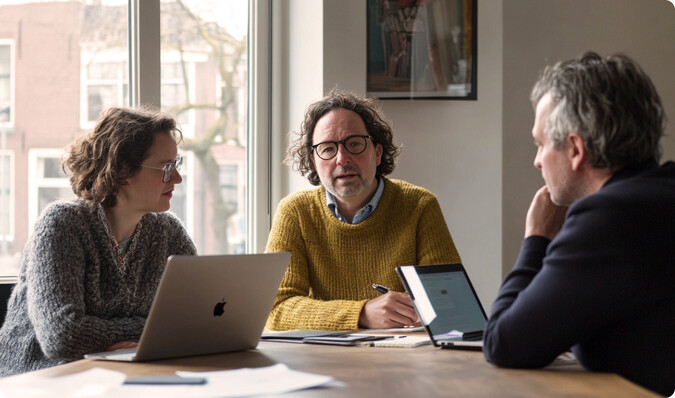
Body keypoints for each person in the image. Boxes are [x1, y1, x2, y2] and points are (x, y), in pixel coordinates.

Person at [483, 52, 675, 396]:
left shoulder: (610, 217)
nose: (537, 161)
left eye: (541, 144)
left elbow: (504, 343)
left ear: (575, 149)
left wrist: (536, 237)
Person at [0, 106, 197, 377]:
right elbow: (62, 335)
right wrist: (151, 330)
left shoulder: (168, 231)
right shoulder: (62, 224)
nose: (177, 178)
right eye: (165, 167)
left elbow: (198, 317)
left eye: (176, 165)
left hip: (117, 374)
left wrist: (125, 337)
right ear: (122, 170)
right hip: (39, 378)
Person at [265, 89, 461, 331]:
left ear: (377, 153)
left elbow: (452, 305)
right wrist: (362, 313)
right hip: (321, 360)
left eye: (355, 144)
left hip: (401, 362)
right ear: (314, 161)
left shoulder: (419, 206)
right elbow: (276, 308)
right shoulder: (295, 212)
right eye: (327, 149)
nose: (342, 159)